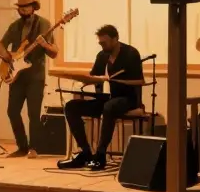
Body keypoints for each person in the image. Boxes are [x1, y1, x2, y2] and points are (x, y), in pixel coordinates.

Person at [59, 25, 144, 171]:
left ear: (115, 39)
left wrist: (116, 81)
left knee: (109, 107)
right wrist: (85, 79)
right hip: (106, 98)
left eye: (104, 43)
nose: (102, 46)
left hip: (127, 99)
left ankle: (100, 154)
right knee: (71, 106)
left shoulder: (131, 53)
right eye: (100, 43)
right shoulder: (102, 55)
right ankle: (85, 152)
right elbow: (94, 77)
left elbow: (140, 81)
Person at [0, 0, 59, 158]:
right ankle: (22, 146)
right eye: (20, 8)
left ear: (33, 8)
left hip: (35, 76)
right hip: (17, 75)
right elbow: (1, 45)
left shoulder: (44, 24)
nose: (22, 10)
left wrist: (45, 44)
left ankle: (34, 148)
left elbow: (54, 53)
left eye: (25, 7)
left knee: (33, 113)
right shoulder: (15, 26)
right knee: (12, 111)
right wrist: (7, 58)